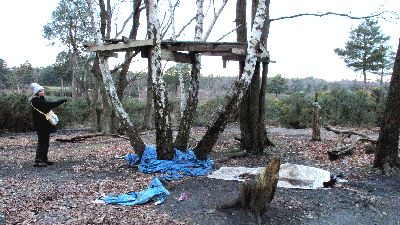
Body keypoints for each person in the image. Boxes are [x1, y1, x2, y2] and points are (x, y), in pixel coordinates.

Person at [29, 83, 68, 167]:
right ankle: (38, 160)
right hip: (41, 124)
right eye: (40, 91)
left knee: (45, 141)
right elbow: (51, 104)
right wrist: (62, 100)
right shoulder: (37, 101)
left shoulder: (38, 100)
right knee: (42, 141)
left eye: (42, 91)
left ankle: (44, 158)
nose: (42, 92)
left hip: (43, 124)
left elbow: (47, 104)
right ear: (36, 92)